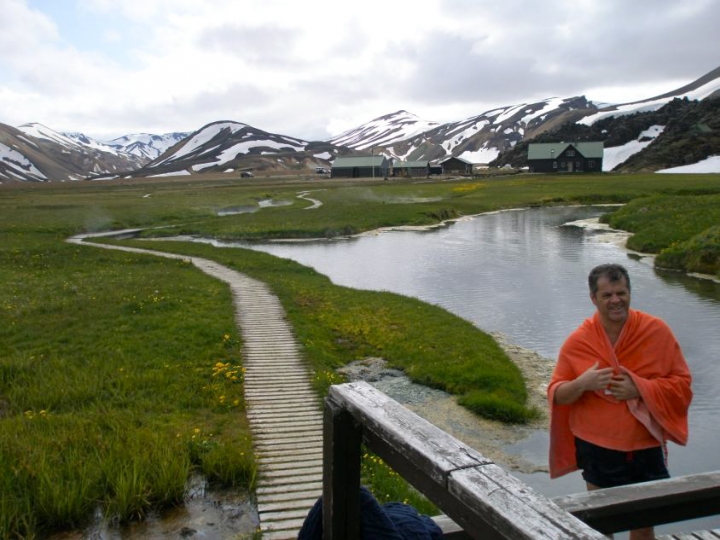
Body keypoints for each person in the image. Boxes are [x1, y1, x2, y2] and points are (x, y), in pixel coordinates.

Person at [548, 263, 692, 540]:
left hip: (645, 445)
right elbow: (557, 392)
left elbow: (682, 384)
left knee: (644, 521)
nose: (616, 300)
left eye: (621, 293)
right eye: (607, 295)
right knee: (603, 522)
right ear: (594, 299)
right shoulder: (579, 341)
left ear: (629, 293)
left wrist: (640, 388)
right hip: (597, 446)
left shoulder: (656, 331)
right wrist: (582, 384)